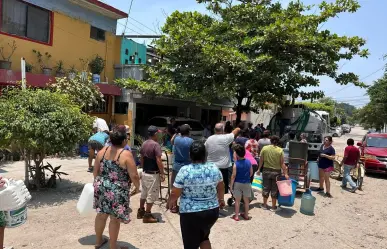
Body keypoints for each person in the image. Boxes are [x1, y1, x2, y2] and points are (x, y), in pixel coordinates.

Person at [169, 141, 225, 249]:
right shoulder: (214, 168)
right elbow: (221, 186)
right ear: (205, 155)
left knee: (191, 245)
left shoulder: (184, 170)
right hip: (211, 212)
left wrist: (170, 202)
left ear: (190, 155)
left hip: (191, 214)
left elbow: (175, 192)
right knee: (203, 237)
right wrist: (221, 199)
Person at [93, 125, 140, 249]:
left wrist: (101, 184)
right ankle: (113, 246)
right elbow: (134, 175)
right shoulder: (126, 154)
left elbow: (95, 171)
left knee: (101, 215)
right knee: (114, 219)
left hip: (102, 187)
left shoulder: (102, 151)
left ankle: (98, 241)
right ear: (124, 141)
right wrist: (137, 187)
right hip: (117, 190)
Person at [137, 126, 166, 223]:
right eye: (158, 133)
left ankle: (141, 211)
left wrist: (143, 167)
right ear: (155, 134)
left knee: (144, 193)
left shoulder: (144, 143)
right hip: (153, 173)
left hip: (145, 172)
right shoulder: (156, 145)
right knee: (151, 194)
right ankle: (147, 214)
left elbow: (141, 157)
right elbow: (158, 160)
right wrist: (162, 173)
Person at [205, 123, 240, 194]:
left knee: (212, 188)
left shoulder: (209, 139)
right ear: (223, 130)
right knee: (222, 189)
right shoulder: (226, 138)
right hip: (223, 167)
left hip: (211, 167)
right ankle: (221, 201)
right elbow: (238, 130)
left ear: (214, 130)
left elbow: (205, 150)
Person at [257, 135, 289, 211]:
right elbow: (282, 163)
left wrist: (258, 169)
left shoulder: (265, 148)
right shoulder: (280, 150)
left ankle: (264, 205)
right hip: (276, 172)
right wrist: (286, 173)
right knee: (274, 189)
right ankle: (273, 207)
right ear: (278, 142)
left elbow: (261, 160)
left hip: (266, 170)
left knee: (265, 187)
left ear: (270, 141)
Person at [169, 124, 194, 213]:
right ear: (188, 132)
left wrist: (176, 133)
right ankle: (185, 206)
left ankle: (174, 206)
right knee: (187, 187)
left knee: (175, 186)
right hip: (187, 167)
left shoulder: (176, 139)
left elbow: (171, 141)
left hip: (176, 166)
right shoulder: (191, 141)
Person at [230, 144, 253, 221]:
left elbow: (233, 176)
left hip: (238, 183)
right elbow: (251, 173)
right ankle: (246, 215)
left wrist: (231, 185)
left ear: (236, 154)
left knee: (237, 201)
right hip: (247, 183)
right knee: (246, 201)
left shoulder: (236, 164)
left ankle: (236, 216)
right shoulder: (249, 162)